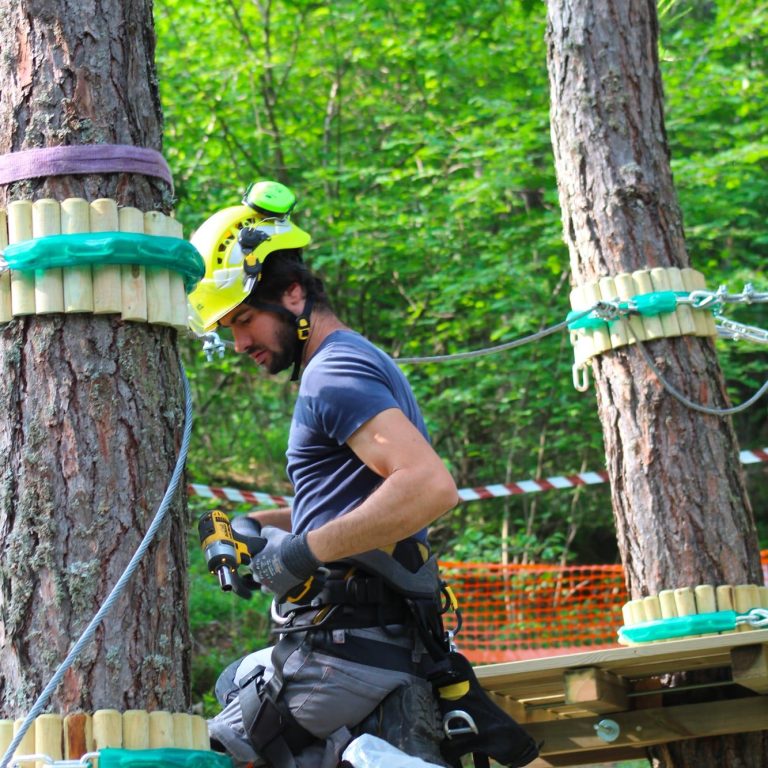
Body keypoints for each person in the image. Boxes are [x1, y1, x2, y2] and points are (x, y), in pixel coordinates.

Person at [188, 181, 538, 768]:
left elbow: (427, 488)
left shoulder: (334, 373)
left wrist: (301, 553)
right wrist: (259, 527)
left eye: (245, 319)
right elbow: (358, 499)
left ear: (293, 293)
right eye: (228, 328)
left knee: (207, 752)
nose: (240, 341)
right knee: (232, 684)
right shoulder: (352, 360)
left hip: (340, 652)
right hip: (367, 645)